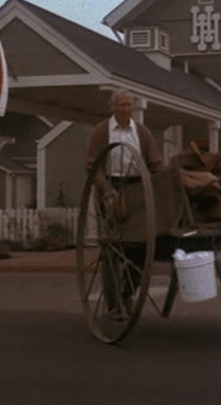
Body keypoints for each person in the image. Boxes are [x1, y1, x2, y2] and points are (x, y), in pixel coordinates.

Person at [85, 89, 163, 317]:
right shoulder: (101, 132)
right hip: (111, 186)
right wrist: (106, 190)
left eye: (129, 105)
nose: (126, 109)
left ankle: (127, 291)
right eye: (122, 105)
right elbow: (91, 166)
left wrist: (165, 180)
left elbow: (155, 163)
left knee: (141, 246)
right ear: (113, 107)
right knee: (112, 247)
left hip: (137, 189)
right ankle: (113, 304)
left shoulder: (142, 132)